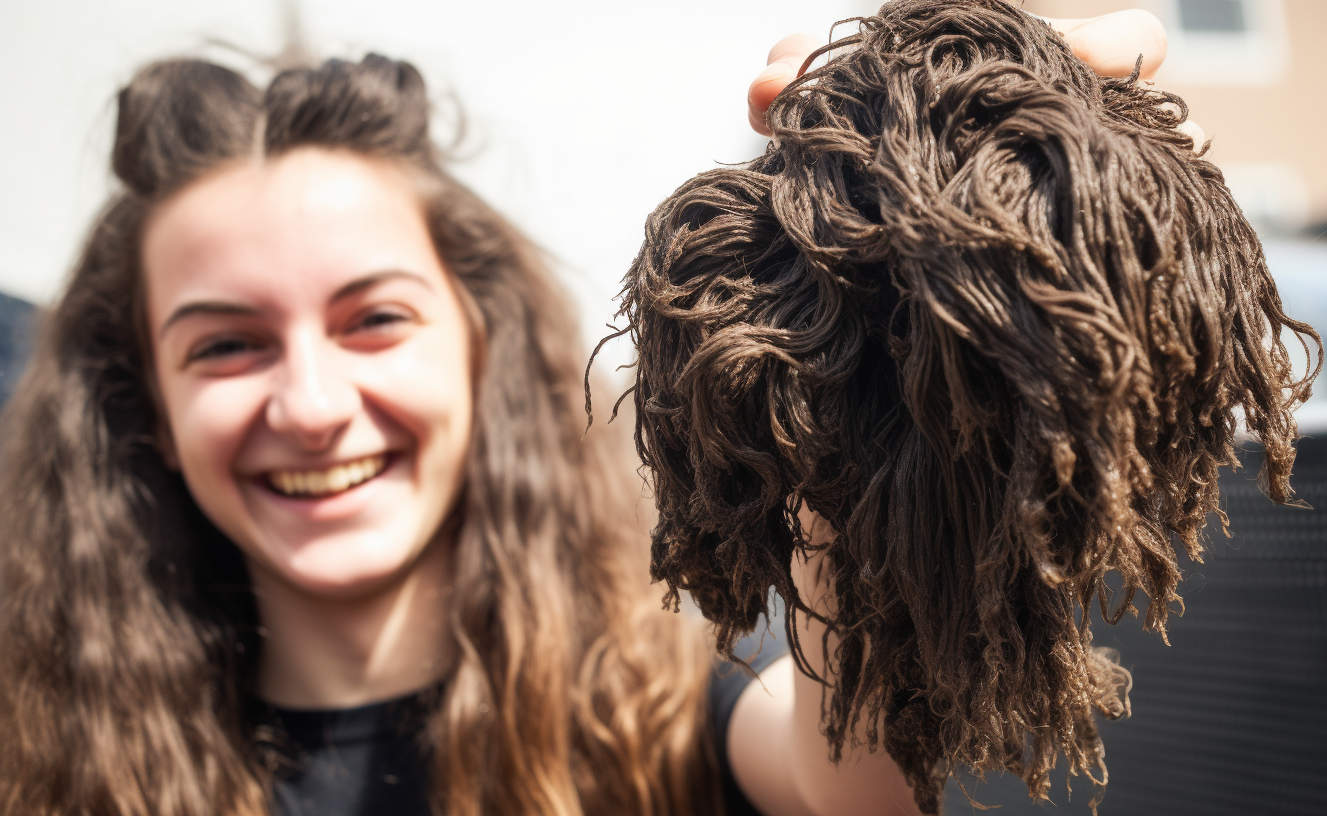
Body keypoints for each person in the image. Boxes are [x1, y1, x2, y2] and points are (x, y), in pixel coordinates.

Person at [0, 8, 1180, 816]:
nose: (311, 406)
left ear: (482, 354)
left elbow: (847, 789)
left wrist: (888, 247)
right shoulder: (42, 766)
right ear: (143, 403)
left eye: (375, 321)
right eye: (225, 345)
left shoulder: (663, 713)